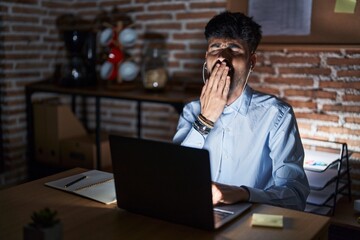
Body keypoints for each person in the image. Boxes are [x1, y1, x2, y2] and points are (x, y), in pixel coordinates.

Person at [173, 11, 309, 211]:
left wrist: (243, 193)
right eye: (215, 47)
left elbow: (295, 196)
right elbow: (174, 175)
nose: (222, 57)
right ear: (206, 58)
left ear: (251, 62)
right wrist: (206, 119)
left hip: (250, 221)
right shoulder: (192, 110)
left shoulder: (277, 114)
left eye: (234, 49)